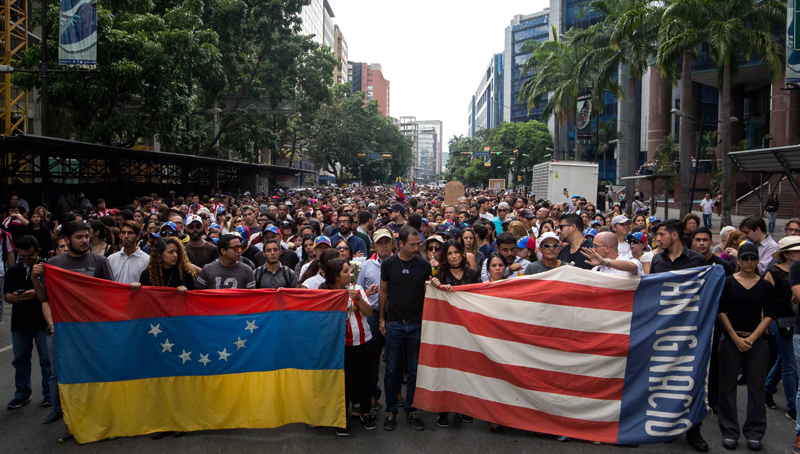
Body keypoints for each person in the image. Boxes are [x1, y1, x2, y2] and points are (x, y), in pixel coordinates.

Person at [31, 221, 115, 443]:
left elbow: (113, 294)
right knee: (71, 380)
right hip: (67, 332)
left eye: (86, 236)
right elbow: (44, 298)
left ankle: (101, 423)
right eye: (79, 237)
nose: (84, 240)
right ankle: (73, 424)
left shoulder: (100, 261)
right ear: (66, 240)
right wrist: (34, 277)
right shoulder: (55, 264)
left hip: (95, 331)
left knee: (97, 378)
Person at [649, 219, 709, 452]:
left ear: (674, 235)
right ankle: (668, 426)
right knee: (666, 378)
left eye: (662, 234)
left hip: (690, 330)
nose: (658, 238)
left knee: (691, 378)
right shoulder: (657, 260)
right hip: (664, 330)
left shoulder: (696, 260)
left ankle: (694, 431)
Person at [717, 243, 774, 452]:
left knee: (757, 388)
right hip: (731, 339)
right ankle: (730, 431)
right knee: (727, 387)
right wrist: (735, 337)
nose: (749, 263)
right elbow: (721, 311)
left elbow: (768, 314)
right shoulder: (728, 283)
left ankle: (755, 433)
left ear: (758, 261)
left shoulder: (765, 286)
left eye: (753, 259)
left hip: (757, 342)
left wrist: (752, 338)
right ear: (738, 260)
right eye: (745, 259)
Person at [379, 226, 429, 431]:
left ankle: (412, 409)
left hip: (417, 326)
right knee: (391, 370)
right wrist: (381, 318)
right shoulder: (389, 264)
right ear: (401, 244)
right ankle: (391, 410)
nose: (416, 248)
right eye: (412, 244)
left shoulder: (424, 265)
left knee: (415, 371)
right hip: (394, 324)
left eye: (418, 244)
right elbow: (383, 292)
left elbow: (428, 294)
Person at [320, 258, 374, 435]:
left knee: (365, 380)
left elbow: (369, 312)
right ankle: (342, 418)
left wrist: (358, 299)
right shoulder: (325, 294)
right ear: (336, 277)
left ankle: (365, 413)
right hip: (339, 347)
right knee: (343, 383)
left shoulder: (357, 289)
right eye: (345, 271)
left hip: (363, 342)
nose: (349, 274)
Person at [3, 235, 51, 411]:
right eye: (21, 256)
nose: (25, 260)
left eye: (29, 256)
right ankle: (22, 393)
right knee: (20, 358)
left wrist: (37, 292)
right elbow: (6, 294)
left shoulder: (47, 267)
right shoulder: (13, 270)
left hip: (42, 319)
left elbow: (53, 293)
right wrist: (13, 297)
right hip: (19, 320)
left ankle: (49, 393)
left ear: (38, 252)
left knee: (46, 359)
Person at [763, 236, 800, 422]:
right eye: (797, 250)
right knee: (790, 364)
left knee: (784, 359)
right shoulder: (773, 271)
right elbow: (765, 298)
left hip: (795, 321)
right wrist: (766, 323)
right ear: (786, 254)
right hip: (777, 320)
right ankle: (793, 407)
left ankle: (768, 389)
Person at [356, 229, 392, 412]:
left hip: (394, 316)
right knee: (372, 358)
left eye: (387, 241)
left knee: (395, 358)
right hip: (374, 315)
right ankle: (373, 394)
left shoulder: (398, 263)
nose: (384, 245)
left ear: (393, 243)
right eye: (380, 242)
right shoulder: (367, 266)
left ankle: (395, 394)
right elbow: (359, 290)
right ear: (374, 245)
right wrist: (368, 295)